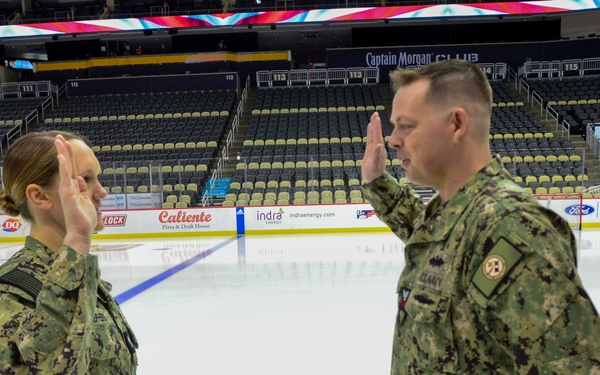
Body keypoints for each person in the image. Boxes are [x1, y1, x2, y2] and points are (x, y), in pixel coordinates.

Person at [361, 59, 600, 374]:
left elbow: (572, 364)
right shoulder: (459, 212)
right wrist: (377, 183)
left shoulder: (513, 227)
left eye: (407, 125)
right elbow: (443, 244)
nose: (393, 140)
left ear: (457, 124)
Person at [0, 131, 138, 373]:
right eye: (85, 180)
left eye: (97, 177)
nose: (102, 191)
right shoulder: (11, 294)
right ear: (40, 196)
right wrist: (76, 240)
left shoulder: (78, 277)